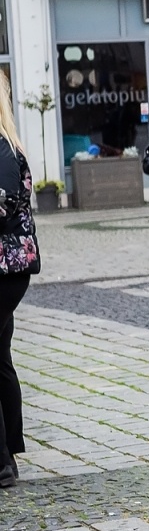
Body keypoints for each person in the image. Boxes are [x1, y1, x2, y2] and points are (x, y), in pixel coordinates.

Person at [0, 70, 41, 490]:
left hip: (5, 270)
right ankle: (8, 454)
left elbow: (2, 204)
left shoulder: (2, 149)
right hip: (10, 270)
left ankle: (3, 461)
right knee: (1, 360)